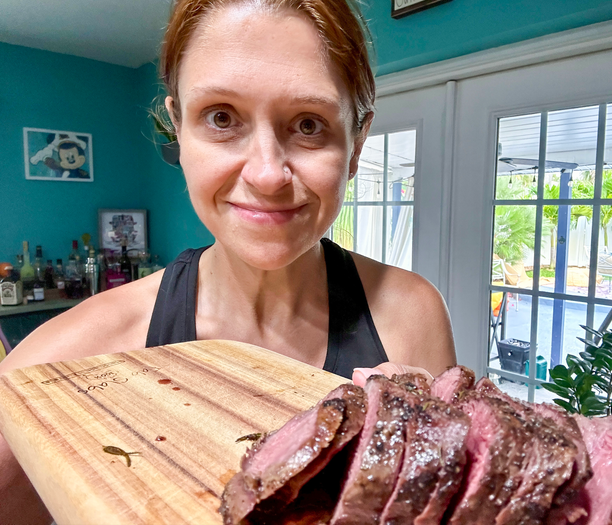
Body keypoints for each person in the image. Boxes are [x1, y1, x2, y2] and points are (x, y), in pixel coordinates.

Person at [0, 0, 456, 522]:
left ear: (356, 144)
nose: (267, 175)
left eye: (309, 124)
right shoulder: (65, 362)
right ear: (179, 128)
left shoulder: (411, 314)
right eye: (221, 118)